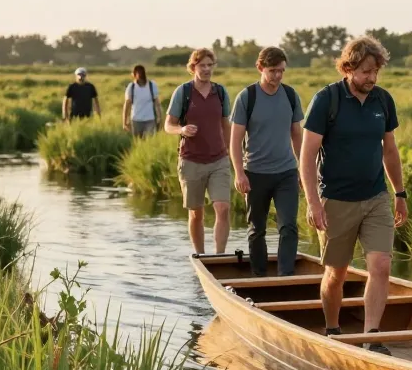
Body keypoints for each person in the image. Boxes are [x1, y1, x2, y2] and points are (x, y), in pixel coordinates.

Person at [298, 36, 408, 354]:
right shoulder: (326, 100)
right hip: (335, 199)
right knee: (336, 273)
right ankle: (332, 329)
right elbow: (307, 156)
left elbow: (390, 150)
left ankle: (372, 336)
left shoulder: (383, 101)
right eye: (365, 72)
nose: (371, 78)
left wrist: (399, 193)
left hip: (375, 197)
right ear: (348, 68)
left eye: (375, 71)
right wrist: (313, 202)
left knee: (381, 265)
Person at [230, 47, 303, 277]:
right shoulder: (247, 97)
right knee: (257, 230)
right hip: (255, 174)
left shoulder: (290, 96)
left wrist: (303, 169)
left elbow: (297, 135)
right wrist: (239, 174)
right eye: (273, 71)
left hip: (286, 173)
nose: (278, 76)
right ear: (260, 68)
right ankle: (259, 277)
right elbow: (235, 141)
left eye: (281, 71)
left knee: (288, 226)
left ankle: (285, 277)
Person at [164, 48, 232, 254]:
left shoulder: (220, 92)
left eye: (210, 65)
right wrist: (181, 130)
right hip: (191, 161)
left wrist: (232, 152)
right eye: (202, 65)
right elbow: (168, 125)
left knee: (223, 207)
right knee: (196, 214)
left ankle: (220, 257)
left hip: (219, 160)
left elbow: (226, 125)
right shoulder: (183, 92)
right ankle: (201, 256)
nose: (207, 69)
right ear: (193, 67)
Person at [123, 64, 161, 137]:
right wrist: (124, 121)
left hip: (150, 119)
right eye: (137, 72)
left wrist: (159, 117)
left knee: (149, 141)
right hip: (136, 120)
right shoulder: (131, 87)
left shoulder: (152, 85)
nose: (139, 74)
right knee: (138, 141)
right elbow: (127, 104)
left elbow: (157, 103)